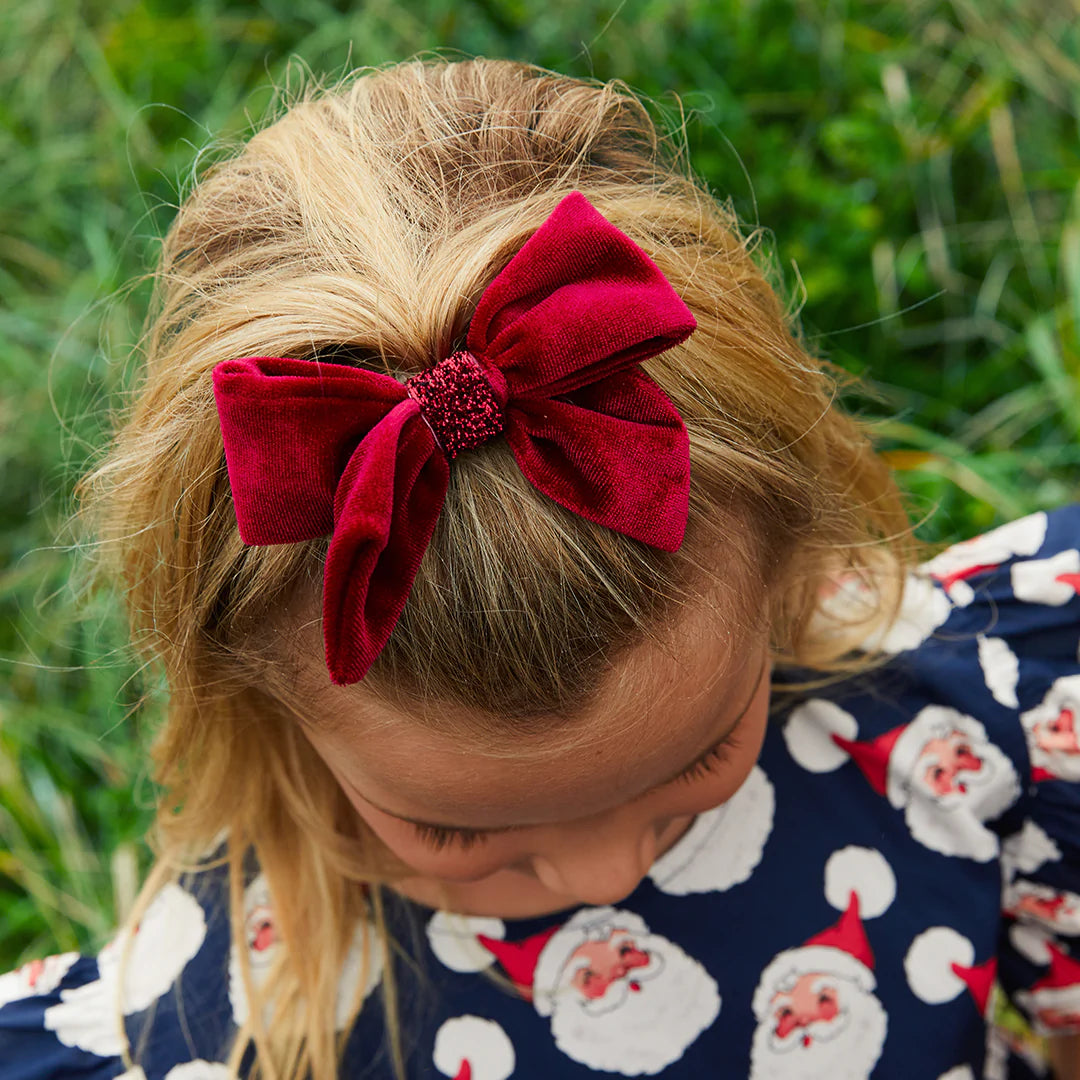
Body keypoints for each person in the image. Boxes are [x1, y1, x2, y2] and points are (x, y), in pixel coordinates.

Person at [0, 56, 1077, 1080]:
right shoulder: (227, 1031)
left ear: (787, 575)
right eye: (463, 831)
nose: (604, 876)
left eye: (699, 758)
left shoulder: (967, 729)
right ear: (258, 693)